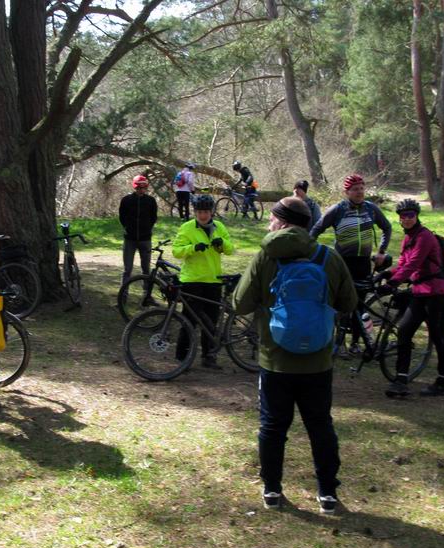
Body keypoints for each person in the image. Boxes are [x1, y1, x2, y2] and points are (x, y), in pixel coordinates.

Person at [233, 197, 357, 514]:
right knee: (320, 426)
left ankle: (272, 491)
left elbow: (240, 304)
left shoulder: (266, 256)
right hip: (318, 361)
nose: (269, 225)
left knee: (273, 427)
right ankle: (327, 493)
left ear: (282, 222)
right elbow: (349, 303)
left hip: (275, 361)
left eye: (272, 219)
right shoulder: (327, 257)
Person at [376, 199, 444, 399]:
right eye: (403, 216)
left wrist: (391, 284)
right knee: (404, 331)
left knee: (438, 336)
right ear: (399, 218)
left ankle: (442, 381)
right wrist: (385, 274)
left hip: (436, 293)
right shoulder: (407, 238)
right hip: (419, 292)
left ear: (416, 216)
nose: (407, 219)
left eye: (411, 215)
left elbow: (413, 265)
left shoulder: (425, 237)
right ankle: (401, 380)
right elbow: (403, 264)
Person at [310, 173, 392, 353]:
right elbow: (316, 229)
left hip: (363, 263)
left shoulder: (371, 208)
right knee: (340, 303)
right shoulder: (338, 209)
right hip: (342, 263)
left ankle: (355, 342)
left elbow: (387, 227)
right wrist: (311, 250)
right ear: (347, 192)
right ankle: (338, 342)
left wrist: (381, 251)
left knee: (359, 305)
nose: (360, 192)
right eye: (355, 189)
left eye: (362, 188)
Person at [172, 194, 234, 369]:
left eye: (206, 211)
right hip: (192, 281)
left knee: (211, 321)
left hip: (213, 280)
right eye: (199, 211)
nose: (203, 215)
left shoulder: (219, 227)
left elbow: (230, 249)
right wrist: (192, 248)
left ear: (211, 212)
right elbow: (176, 251)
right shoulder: (187, 228)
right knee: (189, 320)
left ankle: (208, 356)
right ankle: (182, 358)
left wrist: (221, 243)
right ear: (195, 212)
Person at [119, 175, 158, 296]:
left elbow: (153, 217)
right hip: (130, 239)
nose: (141, 190)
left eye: (144, 188)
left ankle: (147, 295)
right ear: (135, 187)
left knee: (146, 269)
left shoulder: (151, 201)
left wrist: (146, 229)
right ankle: (123, 295)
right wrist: (128, 228)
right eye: (139, 188)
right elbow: (122, 217)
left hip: (145, 239)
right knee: (127, 269)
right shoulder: (126, 200)